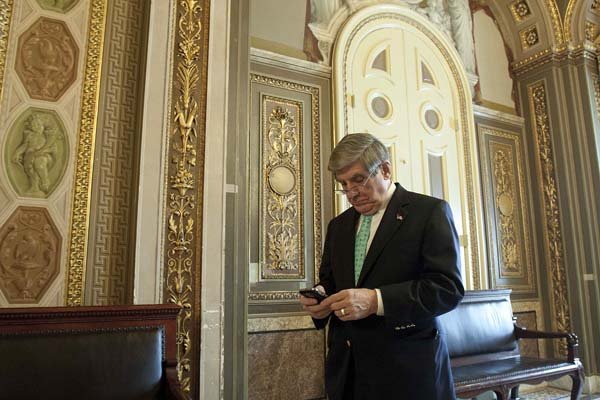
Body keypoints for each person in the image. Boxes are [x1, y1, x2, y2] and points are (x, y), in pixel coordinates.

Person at [300, 133, 464, 399]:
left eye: (357, 179)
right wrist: (320, 303)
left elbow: (447, 289)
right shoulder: (338, 226)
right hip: (348, 373)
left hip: (407, 372)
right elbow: (330, 281)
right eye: (343, 183)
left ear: (385, 170)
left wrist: (376, 301)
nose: (351, 192)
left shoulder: (429, 212)